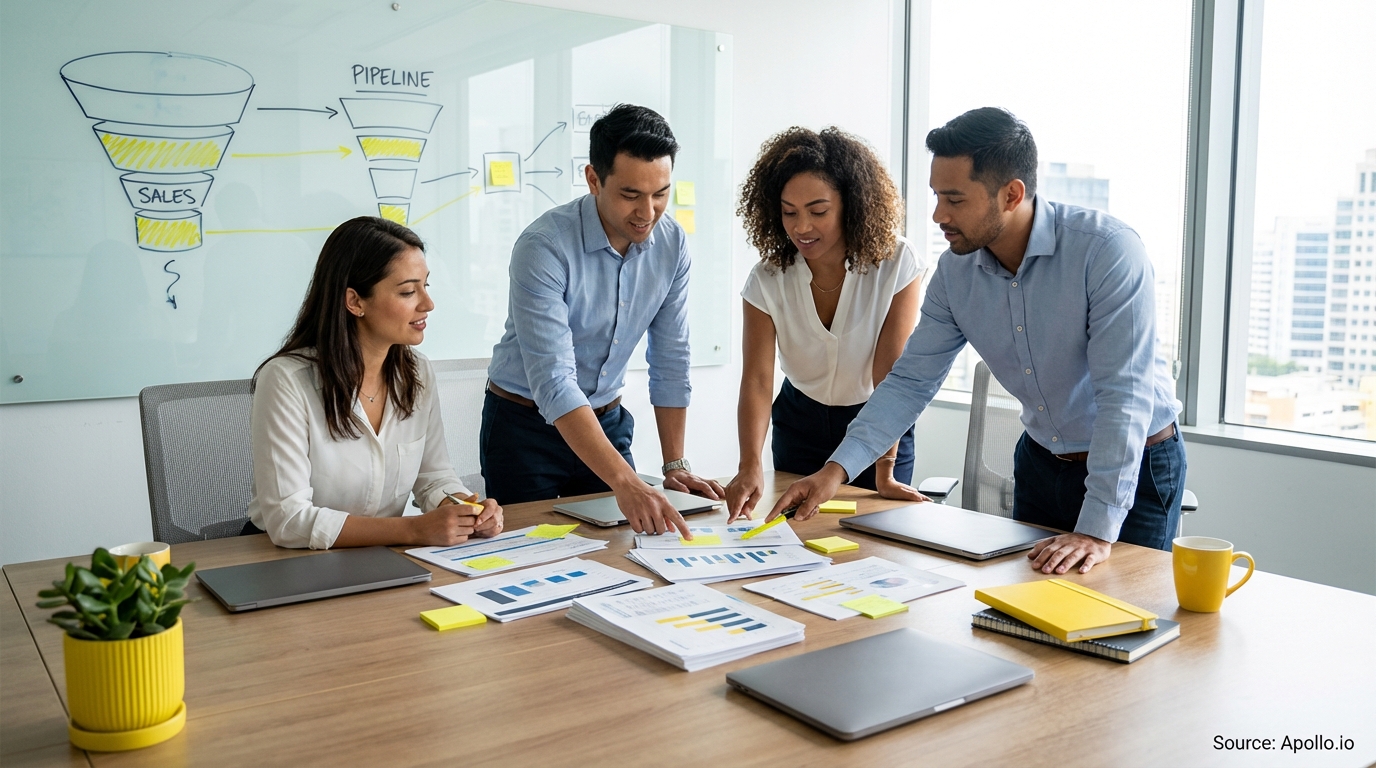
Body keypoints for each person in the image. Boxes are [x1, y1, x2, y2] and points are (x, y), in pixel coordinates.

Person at [767, 108, 1186, 575]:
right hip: (1042, 464)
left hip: (1136, 465)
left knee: (1122, 617)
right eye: (936, 196)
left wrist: (1095, 527)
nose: (938, 214)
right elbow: (909, 382)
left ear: (1011, 194)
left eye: (954, 199)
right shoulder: (956, 272)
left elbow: (1122, 399)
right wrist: (835, 471)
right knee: (1027, 619)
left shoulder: (1106, 251)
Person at [481, 104, 722, 538]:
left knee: (622, 549)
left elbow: (670, 357)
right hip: (524, 428)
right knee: (528, 556)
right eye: (631, 195)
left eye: (660, 193)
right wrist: (627, 481)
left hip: (606, 421)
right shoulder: (544, 247)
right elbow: (555, 380)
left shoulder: (671, 244)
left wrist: (674, 464)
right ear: (594, 179)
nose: (647, 212)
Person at [246, 217, 503, 549]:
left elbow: (432, 478)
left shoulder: (417, 372)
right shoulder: (285, 381)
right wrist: (415, 531)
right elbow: (289, 519)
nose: (427, 303)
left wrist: (465, 510)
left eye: (426, 286)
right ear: (355, 301)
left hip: (381, 556)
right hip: (283, 559)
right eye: (408, 291)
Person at [724, 127, 934, 522]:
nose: (802, 227)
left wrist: (884, 471)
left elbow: (890, 374)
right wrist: (748, 465)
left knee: (874, 547)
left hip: (876, 424)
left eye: (818, 211)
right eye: (789, 212)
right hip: (799, 423)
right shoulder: (767, 279)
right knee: (800, 539)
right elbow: (756, 380)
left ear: (852, 205)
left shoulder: (896, 263)